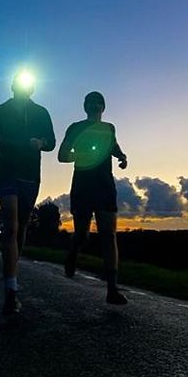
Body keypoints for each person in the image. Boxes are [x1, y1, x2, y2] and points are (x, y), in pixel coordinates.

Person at [0, 71, 55, 314]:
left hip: (31, 175)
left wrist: (41, 143)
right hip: (6, 171)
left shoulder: (41, 113)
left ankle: (11, 267)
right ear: (12, 86)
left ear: (32, 88)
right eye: (18, 82)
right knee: (11, 226)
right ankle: (10, 291)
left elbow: (52, 142)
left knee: (21, 227)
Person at [58, 91, 128, 305]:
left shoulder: (109, 128)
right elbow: (62, 155)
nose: (95, 104)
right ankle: (72, 253)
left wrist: (122, 157)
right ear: (85, 106)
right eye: (90, 101)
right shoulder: (75, 127)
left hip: (105, 186)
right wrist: (81, 156)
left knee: (109, 234)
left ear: (103, 107)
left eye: (99, 102)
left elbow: (113, 146)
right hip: (82, 187)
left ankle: (112, 289)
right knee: (82, 235)